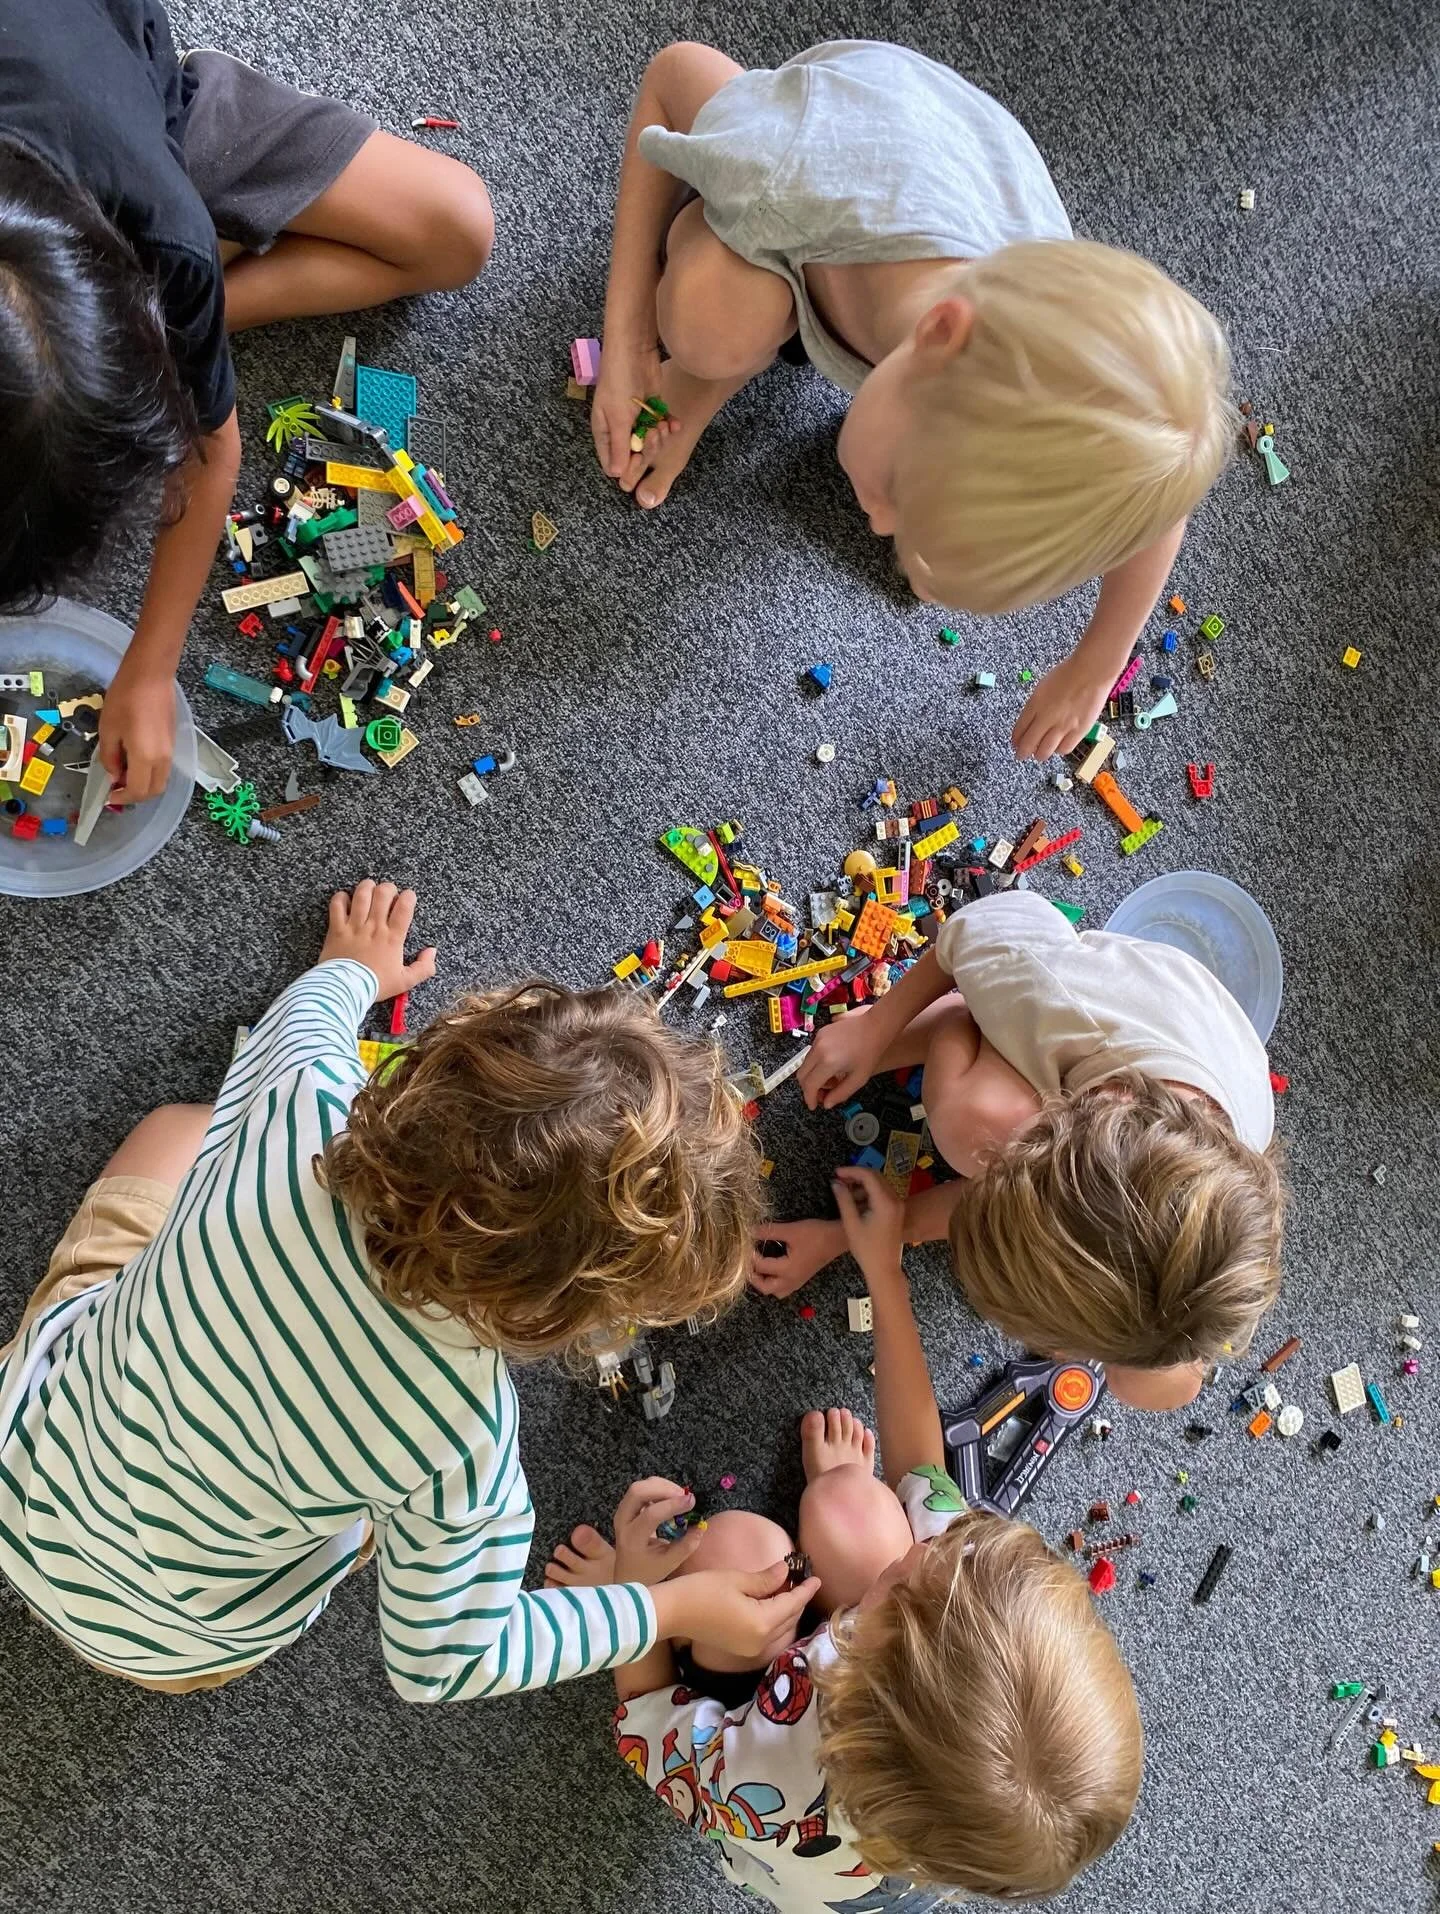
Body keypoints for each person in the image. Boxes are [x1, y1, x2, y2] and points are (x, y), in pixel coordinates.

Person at [0, 882, 815, 1694]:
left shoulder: (299, 1101)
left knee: (178, 1129)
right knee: (377, 1515)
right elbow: (445, 1662)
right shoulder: (462, 1437)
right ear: (558, 1313)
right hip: (172, 1646)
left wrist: (350, 968)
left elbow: (304, 1022)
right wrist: (665, 1608)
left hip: (17, 1472)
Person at [592, 39, 1235, 758]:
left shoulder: (1038, 376)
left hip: (928, 246)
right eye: (899, 496)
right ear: (938, 338)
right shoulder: (786, 172)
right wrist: (630, 344)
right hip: (835, 170)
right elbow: (672, 72)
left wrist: (1096, 667)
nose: (875, 522)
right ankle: (714, 358)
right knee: (709, 320)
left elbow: (1158, 502)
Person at [547, 1166, 1142, 1910]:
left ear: (851, 1665)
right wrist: (883, 1271)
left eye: (905, 1578)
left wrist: (637, 1602)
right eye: (944, 1550)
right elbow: (923, 1470)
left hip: (763, 1732)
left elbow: (645, 1731)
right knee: (852, 1513)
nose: (928, 1546)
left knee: (734, 1550)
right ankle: (832, 1526)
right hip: (877, 1709)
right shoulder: (959, 1609)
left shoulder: (771, 1787)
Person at [0, 0, 495, 800]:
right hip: (71, 158)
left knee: (457, 229)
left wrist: (152, 666)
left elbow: (211, 450)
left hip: (136, 112)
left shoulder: (168, 241)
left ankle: (167, 333)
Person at [751, 888, 1285, 1410]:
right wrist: (875, 1028)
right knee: (970, 1127)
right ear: (1044, 1136)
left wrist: (848, 1236)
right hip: (1094, 1007)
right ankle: (958, 1020)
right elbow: (969, 929)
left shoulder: (1233, 1219)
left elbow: (1166, 1322)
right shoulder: (1053, 991)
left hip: (1170, 1055)